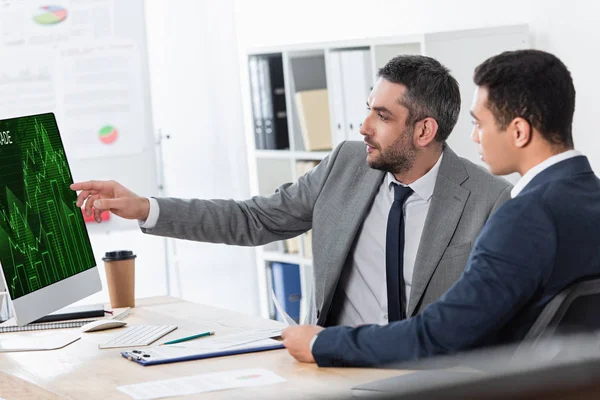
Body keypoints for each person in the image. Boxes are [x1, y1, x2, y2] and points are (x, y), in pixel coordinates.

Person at [71, 55, 510, 330]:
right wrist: (145, 207)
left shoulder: (488, 199)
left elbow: (495, 319)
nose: (363, 127)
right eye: (367, 110)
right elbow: (254, 219)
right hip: (334, 366)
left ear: (424, 130)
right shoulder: (346, 164)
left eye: (382, 116)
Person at [281, 49, 600, 368]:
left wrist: (322, 342)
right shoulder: (589, 198)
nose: (474, 137)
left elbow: (442, 335)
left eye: (479, 124)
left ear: (518, 131)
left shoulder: (524, 216)